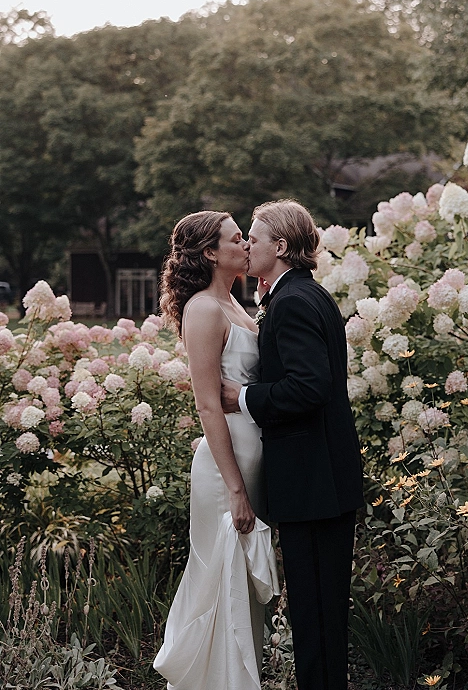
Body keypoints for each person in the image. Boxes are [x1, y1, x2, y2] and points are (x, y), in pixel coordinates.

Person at [221, 199, 364, 690]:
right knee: (318, 615)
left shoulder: (293, 302)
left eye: (253, 239)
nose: (245, 245)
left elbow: (309, 387)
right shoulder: (306, 294)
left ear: (279, 247)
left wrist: (240, 396)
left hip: (314, 484)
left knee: (315, 616)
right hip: (320, 480)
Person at [153, 211, 279, 690]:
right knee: (223, 582)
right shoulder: (203, 309)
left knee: (244, 588)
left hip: (253, 459)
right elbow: (208, 404)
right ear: (211, 253)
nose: (247, 243)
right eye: (237, 238)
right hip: (228, 471)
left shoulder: (237, 303)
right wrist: (235, 490)